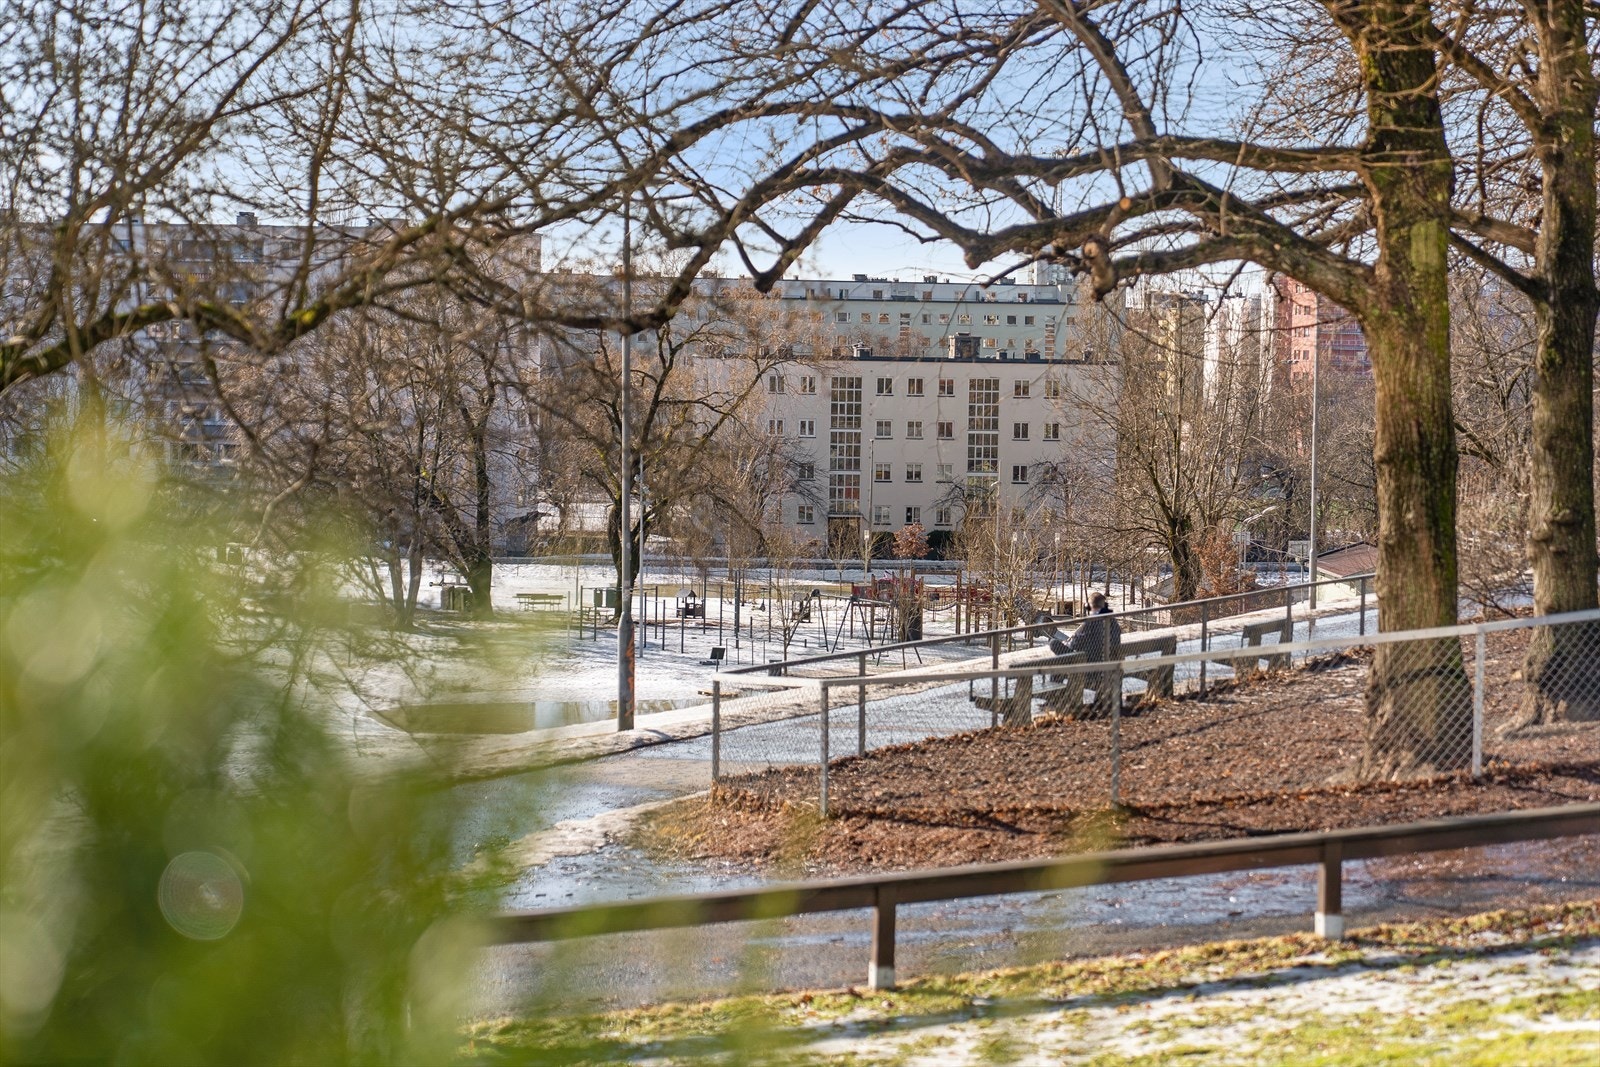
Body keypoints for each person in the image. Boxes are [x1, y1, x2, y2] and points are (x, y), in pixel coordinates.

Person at [1049, 592, 1122, 715]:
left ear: (1088, 606)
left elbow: (1073, 646)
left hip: (1088, 672)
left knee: (1054, 645)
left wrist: (1065, 642)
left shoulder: (1090, 623)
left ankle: (1054, 700)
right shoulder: (1113, 623)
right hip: (1111, 670)